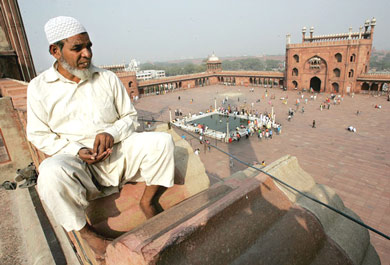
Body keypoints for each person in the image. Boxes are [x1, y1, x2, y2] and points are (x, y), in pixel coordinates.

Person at [26, 16, 175, 261]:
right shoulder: (39, 88)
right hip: (79, 166)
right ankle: (90, 236)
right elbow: (38, 134)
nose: (87, 54)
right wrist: (76, 150)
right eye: (77, 48)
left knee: (162, 143)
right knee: (49, 173)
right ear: (55, 51)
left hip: (116, 155)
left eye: (89, 46)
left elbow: (129, 117)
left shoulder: (106, 78)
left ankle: (147, 202)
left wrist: (111, 133)